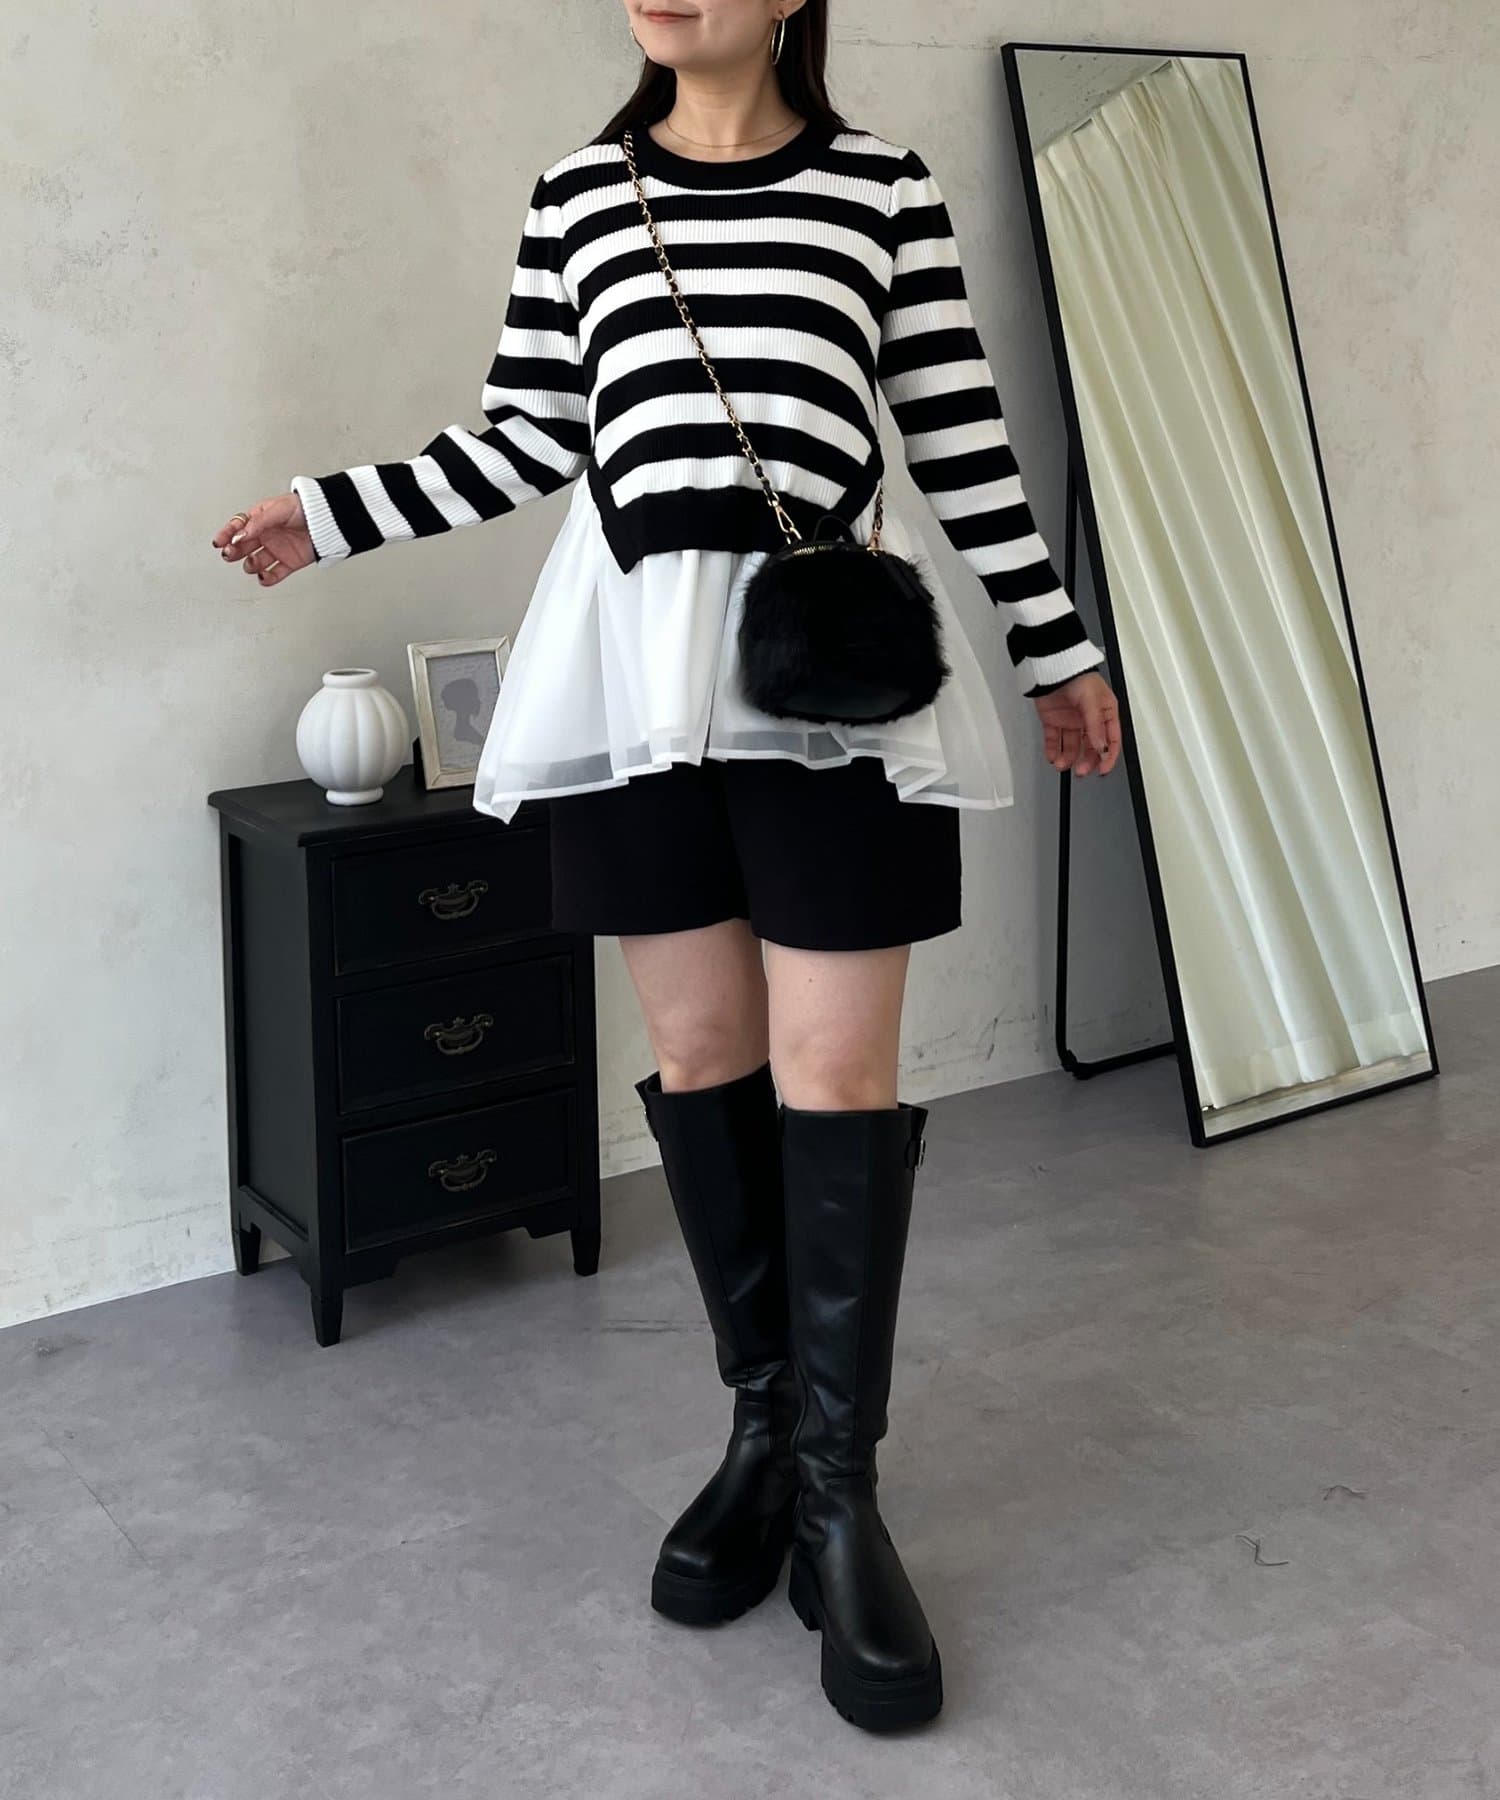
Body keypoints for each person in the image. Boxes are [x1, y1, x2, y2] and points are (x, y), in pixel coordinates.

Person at [211, 0, 1121, 1734]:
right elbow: (524, 438)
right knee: (702, 1059)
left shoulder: (881, 189)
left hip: (829, 680)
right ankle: (764, 1431)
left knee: (837, 1074)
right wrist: (326, 514)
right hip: (631, 684)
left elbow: (959, 437)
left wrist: (1058, 648)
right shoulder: (580, 194)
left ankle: (843, 1498)